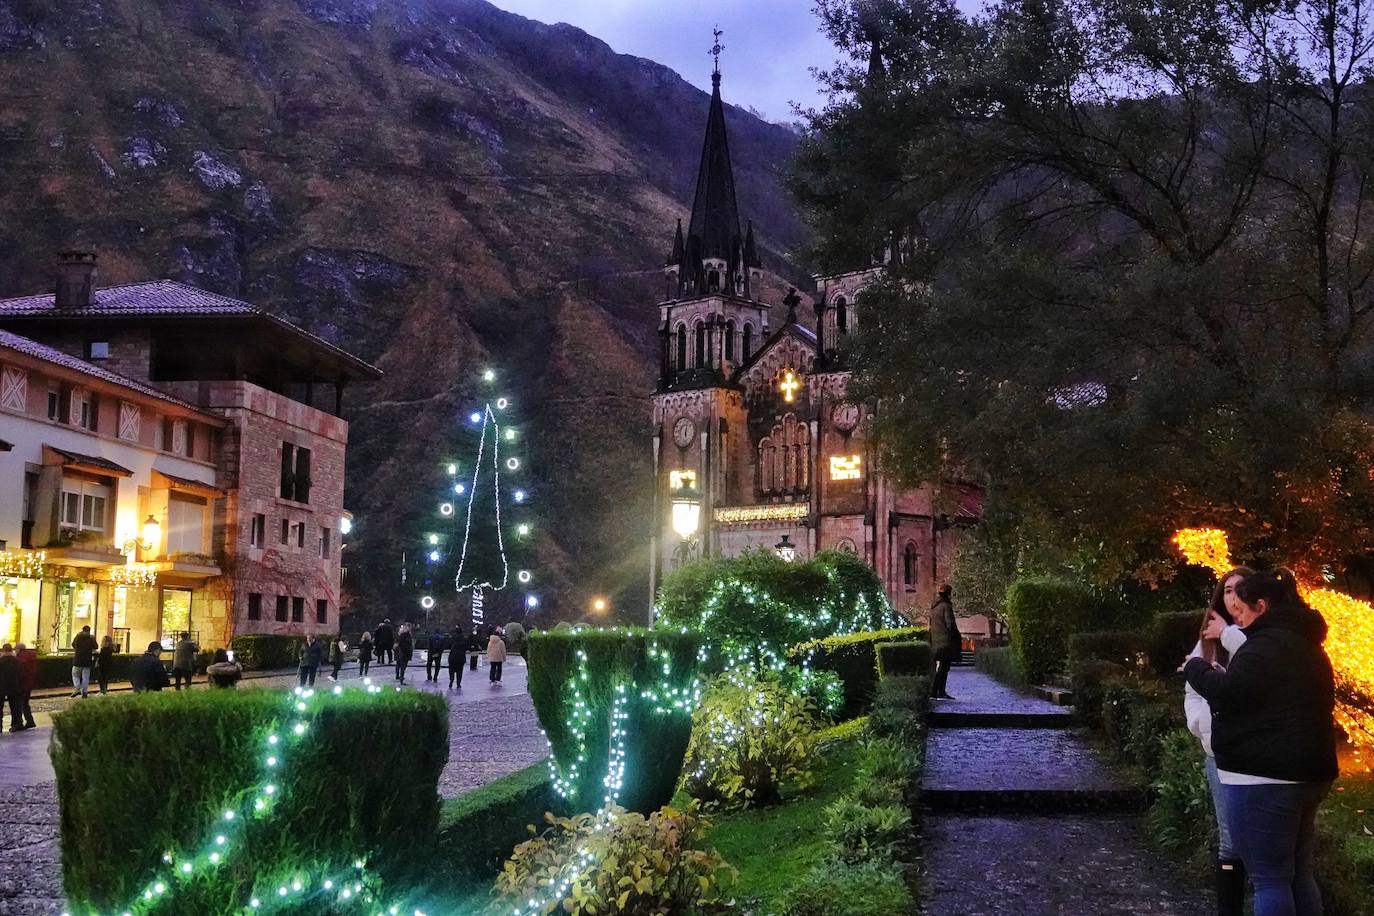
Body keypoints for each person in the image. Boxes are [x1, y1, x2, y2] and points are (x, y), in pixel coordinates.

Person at [1185, 568, 1339, 916]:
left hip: (1263, 779)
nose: (1238, 615)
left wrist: (1196, 668)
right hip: (1310, 773)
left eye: (1242, 609)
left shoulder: (1265, 648)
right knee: (1299, 875)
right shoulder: (1306, 645)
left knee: (1269, 880)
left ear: (1262, 605)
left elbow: (1230, 694)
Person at [1183, 567, 1253, 916]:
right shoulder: (1207, 641)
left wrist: (1228, 634)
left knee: (1261, 842)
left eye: (1240, 589)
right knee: (1229, 841)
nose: (1233, 597)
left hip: (1257, 755)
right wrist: (1202, 725)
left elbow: (1258, 676)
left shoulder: (1259, 637)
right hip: (1219, 754)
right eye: (1227, 590)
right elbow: (1193, 691)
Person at [928, 584, 960, 700]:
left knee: (941, 667)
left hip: (935, 642)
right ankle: (938, 691)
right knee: (944, 668)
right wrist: (956, 636)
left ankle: (936, 692)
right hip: (946, 642)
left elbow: (930, 625)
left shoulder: (934, 607)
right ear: (948, 594)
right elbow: (950, 624)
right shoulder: (946, 606)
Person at [71, 625, 97, 698]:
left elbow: (73, 645)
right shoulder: (91, 638)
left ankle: (77, 687)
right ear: (89, 630)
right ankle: (84, 692)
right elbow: (96, 646)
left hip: (77, 660)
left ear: (82, 630)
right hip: (87, 661)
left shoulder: (78, 636)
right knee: (85, 677)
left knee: (75, 674)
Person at [14, 643, 37, 729]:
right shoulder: (30, 656)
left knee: (19, 704)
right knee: (25, 703)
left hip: (21, 684)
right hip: (29, 684)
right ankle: (30, 721)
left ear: (18, 649)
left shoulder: (20, 658)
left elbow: (19, 671)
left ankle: (20, 723)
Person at [0, 644, 20, 733]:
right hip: (14, 686)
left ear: (3, 651)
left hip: (1, 686)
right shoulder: (17, 661)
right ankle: (15, 725)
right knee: (15, 707)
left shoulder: (1, 661)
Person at [447, 625, 466, 689]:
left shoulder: (453, 638)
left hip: (452, 657)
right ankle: (458, 684)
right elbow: (465, 648)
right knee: (459, 672)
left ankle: (451, 679)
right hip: (460, 658)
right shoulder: (463, 639)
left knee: (451, 670)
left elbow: (449, 646)